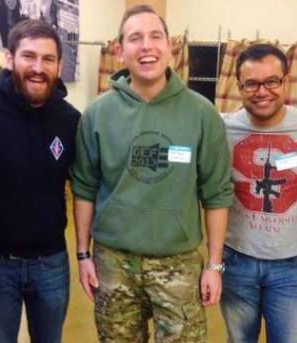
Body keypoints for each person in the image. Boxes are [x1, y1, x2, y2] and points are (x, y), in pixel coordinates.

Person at [71, 4, 233, 342]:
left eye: (155, 36)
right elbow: (85, 188)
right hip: (113, 265)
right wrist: (83, 254)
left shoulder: (203, 115)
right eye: (135, 38)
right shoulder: (97, 115)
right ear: (120, 50)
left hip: (179, 265)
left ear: (170, 45)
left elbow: (216, 193)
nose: (147, 46)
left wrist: (214, 265)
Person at [0, 19, 80, 343]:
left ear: (60, 66)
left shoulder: (70, 121)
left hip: (51, 263)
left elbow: (87, 188)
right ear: (9, 59)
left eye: (48, 59)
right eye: (29, 56)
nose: (38, 67)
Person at [220, 44, 297, 343]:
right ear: (239, 86)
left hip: (291, 267)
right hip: (235, 263)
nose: (262, 91)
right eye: (252, 83)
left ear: (286, 81)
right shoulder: (221, 128)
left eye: (272, 81)